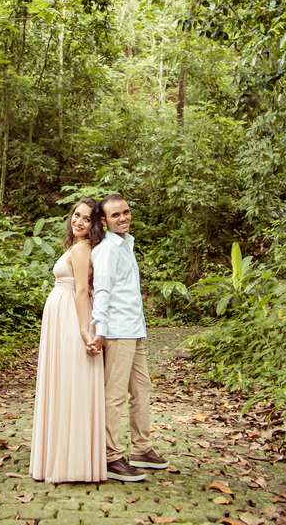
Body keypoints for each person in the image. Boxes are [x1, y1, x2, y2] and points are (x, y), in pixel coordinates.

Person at [89, 193, 169, 482]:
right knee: (114, 396)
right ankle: (111, 456)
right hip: (118, 332)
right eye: (115, 215)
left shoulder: (126, 244)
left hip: (135, 330)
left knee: (142, 390)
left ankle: (142, 449)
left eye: (126, 212)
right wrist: (100, 331)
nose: (123, 218)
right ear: (103, 221)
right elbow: (102, 292)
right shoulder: (107, 250)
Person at [30, 198, 108, 483]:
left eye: (87, 219)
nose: (79, 221)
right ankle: (65, 458)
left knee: (72, 381)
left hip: (70, 317)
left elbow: (79, 291)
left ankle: (70, 462)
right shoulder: (79, 247)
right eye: (77, 215)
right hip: (62, 315)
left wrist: (84, 331)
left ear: (95, 224)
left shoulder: (82, 248)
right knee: (66, 381)